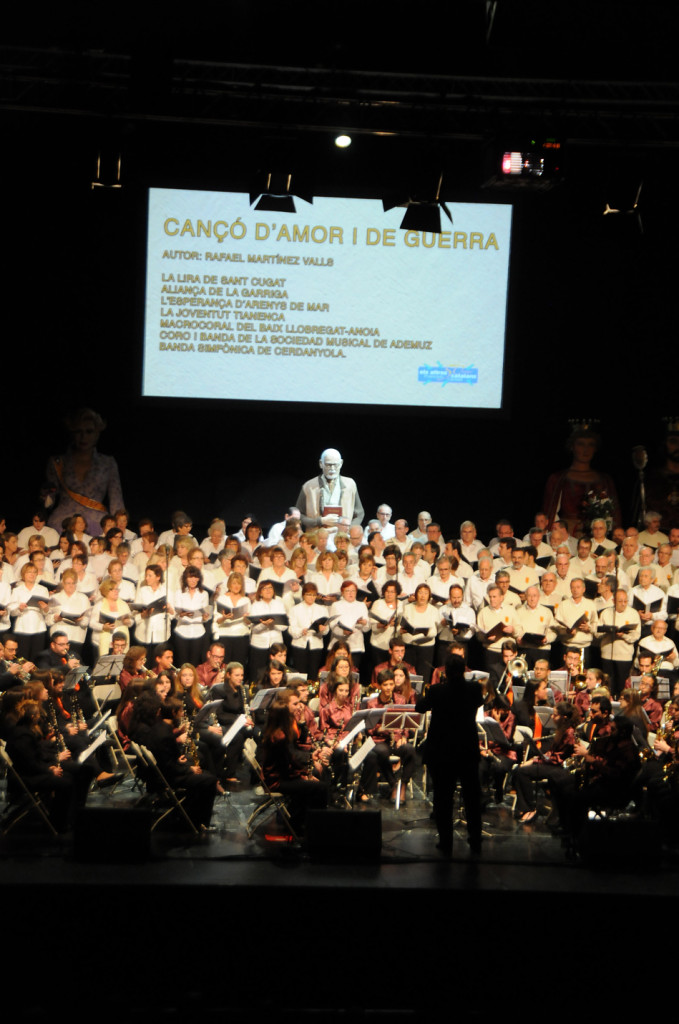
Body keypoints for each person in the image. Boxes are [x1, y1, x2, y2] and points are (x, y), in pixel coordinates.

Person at [416, 653, 484, 857]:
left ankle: (446, 843)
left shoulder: (437, 690)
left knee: (443, 798)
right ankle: (475, 841)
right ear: (464, 670)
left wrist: (427, 691)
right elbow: (478, 702)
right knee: (472, 797)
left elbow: (420, 707)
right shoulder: (474, 689)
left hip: (442, 751)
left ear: (445, 670)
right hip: (466, 750)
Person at [44, 408, 124, 538]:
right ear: (72, 433)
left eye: (89, 431)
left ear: (97, 433)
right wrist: (45, 496)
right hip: (62, 523)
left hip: (98, 524)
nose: (83, 437)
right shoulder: (58, 462)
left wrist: (119, 530)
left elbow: (117, 502)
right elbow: (49, 501)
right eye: (78, 431)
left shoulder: (108, 463)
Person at [296, 448, 364, 532]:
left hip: (342, 536)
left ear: (341, 463)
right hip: (317, 536)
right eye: (328, 465)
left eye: (335, 465)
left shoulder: (350, 485)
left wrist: (349, 529)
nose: (332, 468)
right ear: (321, 464)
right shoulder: (308, 486)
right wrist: (320, 521)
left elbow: (359, 513)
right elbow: (299, 515)